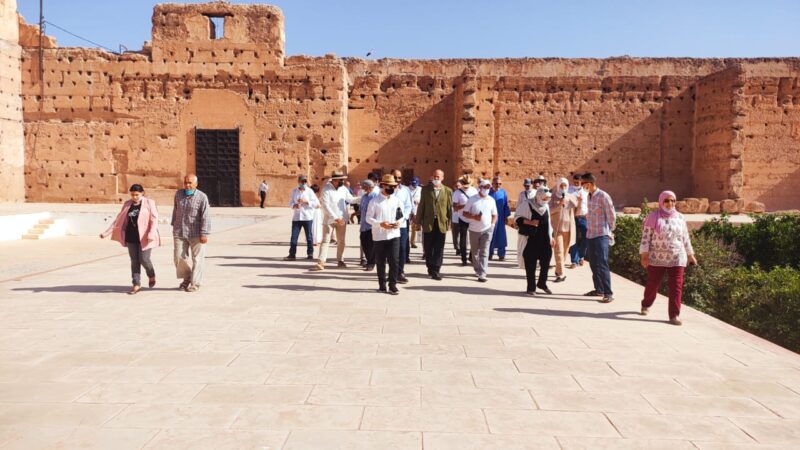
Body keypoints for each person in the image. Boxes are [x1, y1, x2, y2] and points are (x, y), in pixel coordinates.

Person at [639, 191, 697, 326]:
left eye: (672, 201)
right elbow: (646, 237)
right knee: (653, 285)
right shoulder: (653, 217)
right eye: (666, 201)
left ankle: (674, 315)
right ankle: (646, 304)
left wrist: (690, 254)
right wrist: (644, 255)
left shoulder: (680, 217)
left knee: (676, 286)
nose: (670, 204)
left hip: (677, 257)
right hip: (657, 257)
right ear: (661, 201)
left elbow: (685, 237)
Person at [100, 184, 160, 294]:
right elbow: (119, 220)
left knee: (144, 259)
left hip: (145, 237)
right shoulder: (127, 204)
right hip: (131, 237)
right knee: (134, 261)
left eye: (137, 195)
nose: (135, 197)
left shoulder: (149, 203)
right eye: (132, 195)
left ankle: (151, 275)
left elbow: (154, 220)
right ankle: (136, 284)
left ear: (142, 193)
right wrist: (106, 232)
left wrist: (151, 234)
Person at [171, 174, 210, 292]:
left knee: (198, 259)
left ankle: (195, 283)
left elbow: (205, 216)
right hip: (180, 231)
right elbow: (175, 210)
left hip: (196, 233)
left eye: (190, 183)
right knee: (178, 257)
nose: (187, 185)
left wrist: (204, 233)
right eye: (185, 183)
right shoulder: (178, 194)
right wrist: (174, 224)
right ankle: (187, 278)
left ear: (196, 184)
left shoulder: (202, 197)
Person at [366, 174, 404, 295]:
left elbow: (401, 216)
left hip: (394, 234)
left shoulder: (397, 200)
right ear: (383, 186)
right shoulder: (374, 201)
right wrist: (380, 224)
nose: (392, 188)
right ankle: (382, 284)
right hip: (379, 235)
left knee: (394, 260)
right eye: (389, 186)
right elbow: (368, 218)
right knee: (380, 261)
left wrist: (399, 222)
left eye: (393, 186)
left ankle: (392, 284)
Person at [582, 172, 616, 303]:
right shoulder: (588, 196)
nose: (582, 186)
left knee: (602, 263)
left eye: (583, 183)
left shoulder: (603, 196)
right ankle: (599, 289)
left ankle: (608, 293)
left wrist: (611, 231)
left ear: (589, 184)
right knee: (594, 264)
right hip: (590, 234)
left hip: (601, 235)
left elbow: (611, 215)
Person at [313, 170, 356, 271]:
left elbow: (350, 199)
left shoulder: (343, 189)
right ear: (335, 180)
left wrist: (362, 198)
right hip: (330, 220)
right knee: (325, 241)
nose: (343, 181)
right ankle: (321, 261)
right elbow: (325, 206)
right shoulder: (326, 190)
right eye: (341, 180)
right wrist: (335, 217)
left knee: (341, 241)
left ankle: (340, 260)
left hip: (342, 219)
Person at [516, 187, 554, 296]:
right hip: (531, 240)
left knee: (546, 263)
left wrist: (551, 237)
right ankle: (531, 287)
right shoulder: (527, 204)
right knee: (530, 264)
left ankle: (542, 283)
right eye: (545, 198)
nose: (546, 200)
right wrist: (530, 222)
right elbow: (517, 219)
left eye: (548, 198)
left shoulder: (545, 206)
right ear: (539, 195)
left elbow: (549, 223)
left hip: (545, 241)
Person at [416, 169, 453, 280]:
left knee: (439, 248)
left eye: (438, 177)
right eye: (435, 176)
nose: (436, 178)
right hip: (428, 222)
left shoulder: (448, 191)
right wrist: (418, 221)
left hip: (441, 222)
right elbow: (421, 206)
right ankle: (430, 267)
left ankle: (436, 270)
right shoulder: (425, 190)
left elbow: (449, 208)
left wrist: (450, 222)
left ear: (442, 178)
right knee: (428, 247)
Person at [462, 179, 498, 282]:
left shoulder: (491, 200)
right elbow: (465, 213)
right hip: (474, 230)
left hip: (487, 230)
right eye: (485, 187)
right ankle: (477, 269)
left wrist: (492, 225)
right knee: (475, 252)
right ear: (480, 187)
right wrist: (474, 217)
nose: (486, 189)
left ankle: (482, 273)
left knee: (484, 251)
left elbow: (494, 214)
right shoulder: (472, 199)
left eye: (488, 187)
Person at [285, 175, 319, 261]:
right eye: (302, 181)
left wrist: (306, 201)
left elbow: (316, 204)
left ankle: (310, 254)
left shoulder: (310, 191)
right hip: (296, 218)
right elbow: (290, 202)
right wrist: (294, 205)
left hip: (307, 217)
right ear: (298, 182)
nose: (303, 183)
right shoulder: (294, 191)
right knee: (294, 237)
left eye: (305, 182)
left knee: (309, 237)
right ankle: (292, 254)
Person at [551, 177, 578, 282]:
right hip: (557, 229)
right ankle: (561, 274)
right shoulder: (553, 197)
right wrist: (559, 205)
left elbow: (576, 206)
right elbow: (549, 211)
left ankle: (558, 270)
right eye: (561, 185)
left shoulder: (570, 196)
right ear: (558, 186)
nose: (563, 187)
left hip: (568, 229)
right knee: (559, 251)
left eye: (565, 185)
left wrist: (569, 198)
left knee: (565, 252)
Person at [391, 169, 413, 283]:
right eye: (395, 177)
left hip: (402, 224)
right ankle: (392, 272)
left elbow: (409, 205)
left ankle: (400, 272)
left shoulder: (405, 190)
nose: (397, 180)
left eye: (399, 178)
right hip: (389, 225)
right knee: (391, 249)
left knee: (402, 248)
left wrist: (403, 218)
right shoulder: (386, 190)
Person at [453, 175, 477, 266]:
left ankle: (471, 256)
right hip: (462, 218)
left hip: (473, 218)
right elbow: (455, 207)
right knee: (463, 239)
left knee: (474, 239)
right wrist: (465, 205)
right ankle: (463, 259)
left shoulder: (474, 191)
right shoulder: (457, 193)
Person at [488, 176, 511, 261]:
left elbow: (505, 205)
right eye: (496, 183)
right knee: (491, 236)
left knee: (501, 236)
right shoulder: (488, 193)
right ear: (492, 183)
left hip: (500, 218)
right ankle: (489, 254)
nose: (498, 185)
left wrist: (506, 216)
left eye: (500, 183)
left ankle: (501, 254)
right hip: (490, 218)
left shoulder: (503, 192)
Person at [568, 173, 588, 268]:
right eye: (574, 182)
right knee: (573, 238)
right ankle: (574, 261)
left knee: (586, 238)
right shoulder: (569, 190)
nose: (576, 183)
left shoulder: (586, 192)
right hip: (572, 217)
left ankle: (581, 256)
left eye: (578, 182)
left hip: (584, 217)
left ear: (581, 182)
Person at [358, 179, 379, 271]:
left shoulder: (375, 197)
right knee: (364, 243)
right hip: (363, 225)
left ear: (368, 187)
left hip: (371, 226)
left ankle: (371, 263)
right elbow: (361, 209)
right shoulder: (364, 197)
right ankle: (369, 260)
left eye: (363, 186)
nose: (362, 188)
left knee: (371, 245)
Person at [451, 178, 463, 254]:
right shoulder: (451, 195)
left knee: (463, 234)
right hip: (454, 217)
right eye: (456, 186)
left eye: (459, 186)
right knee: (455, 235)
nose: (458, 187)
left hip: (463, 217)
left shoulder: (463, 195)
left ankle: (462, 248)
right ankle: (457, 248)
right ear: (454, 187)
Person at [410, 176, 422, 249]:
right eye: (413, 184)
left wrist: (419, 202)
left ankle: (418, 240)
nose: (414, 185)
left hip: (417, 210)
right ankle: (412, 242)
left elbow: (423, 199)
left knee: (417, 226)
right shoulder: (407, 189)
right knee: (411, 227)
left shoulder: (420, 189)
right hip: (410, 211)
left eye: (415, 184)